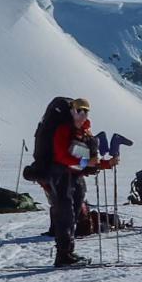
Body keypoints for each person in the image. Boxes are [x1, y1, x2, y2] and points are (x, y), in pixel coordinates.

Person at [49, 98, 112, 267]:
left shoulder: (84, 133)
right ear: (72, 111)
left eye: (86, 111)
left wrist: (106, 163)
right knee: (65, 216)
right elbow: (62, 157)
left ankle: (68, 253)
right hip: (61, 177)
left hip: (75, 178)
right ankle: (63, 256)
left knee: (73, 215)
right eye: (79, 110)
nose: (83, 115)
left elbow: (88, 160)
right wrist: (86, 163)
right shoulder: (63, 130)